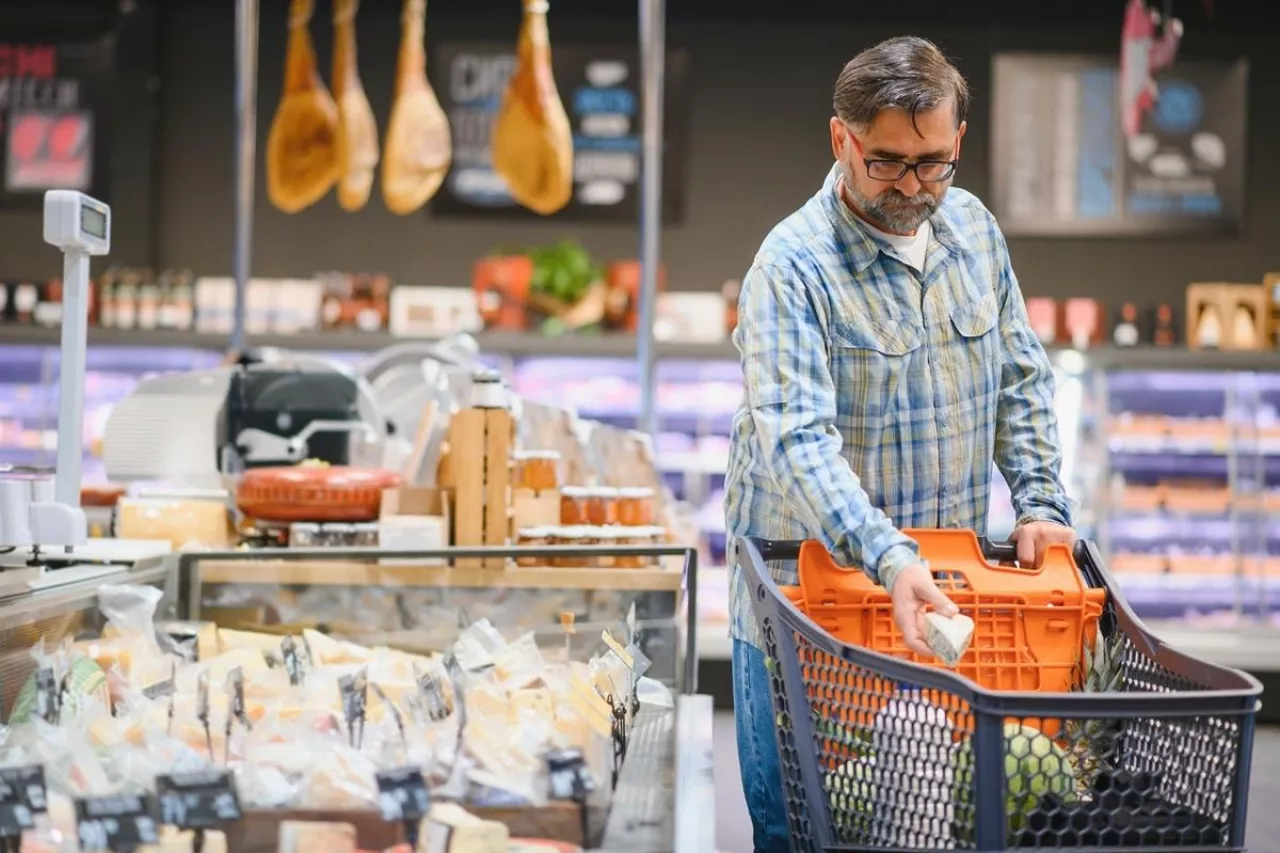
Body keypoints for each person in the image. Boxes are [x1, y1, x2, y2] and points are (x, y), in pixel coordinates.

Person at [723, 35, 1077, 852]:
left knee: (926, 827)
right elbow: (797, 441)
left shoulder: (974, 231)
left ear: (958, 141)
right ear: (840, 139)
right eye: (886, 162)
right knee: (806, 827)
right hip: (813, 617)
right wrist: (889, 557)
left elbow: (1021, 378)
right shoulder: (792, 267)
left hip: (941, 602)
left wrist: (1041, 503)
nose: (913, 187)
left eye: (932, 163)